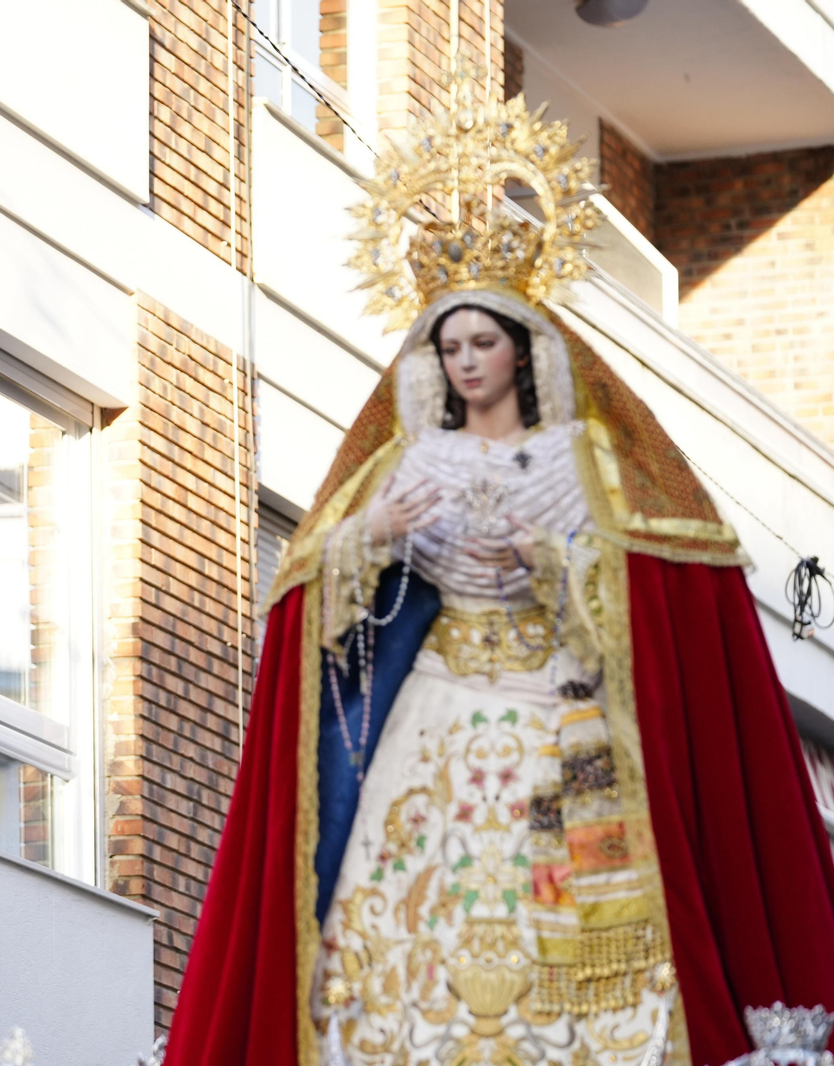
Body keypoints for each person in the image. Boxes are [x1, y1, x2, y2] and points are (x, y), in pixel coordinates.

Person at [163, 72, 834, 1066]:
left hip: (553, 720)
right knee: (397, 934)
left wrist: (551, 564)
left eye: (482, 340)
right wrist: (372, 533)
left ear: (521, 351)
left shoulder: (591, 464)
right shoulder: (401, 463)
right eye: (449, 344)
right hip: (429, 715)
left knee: (571, 936)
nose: (466, 359)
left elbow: (651, 613)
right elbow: (311, 606)